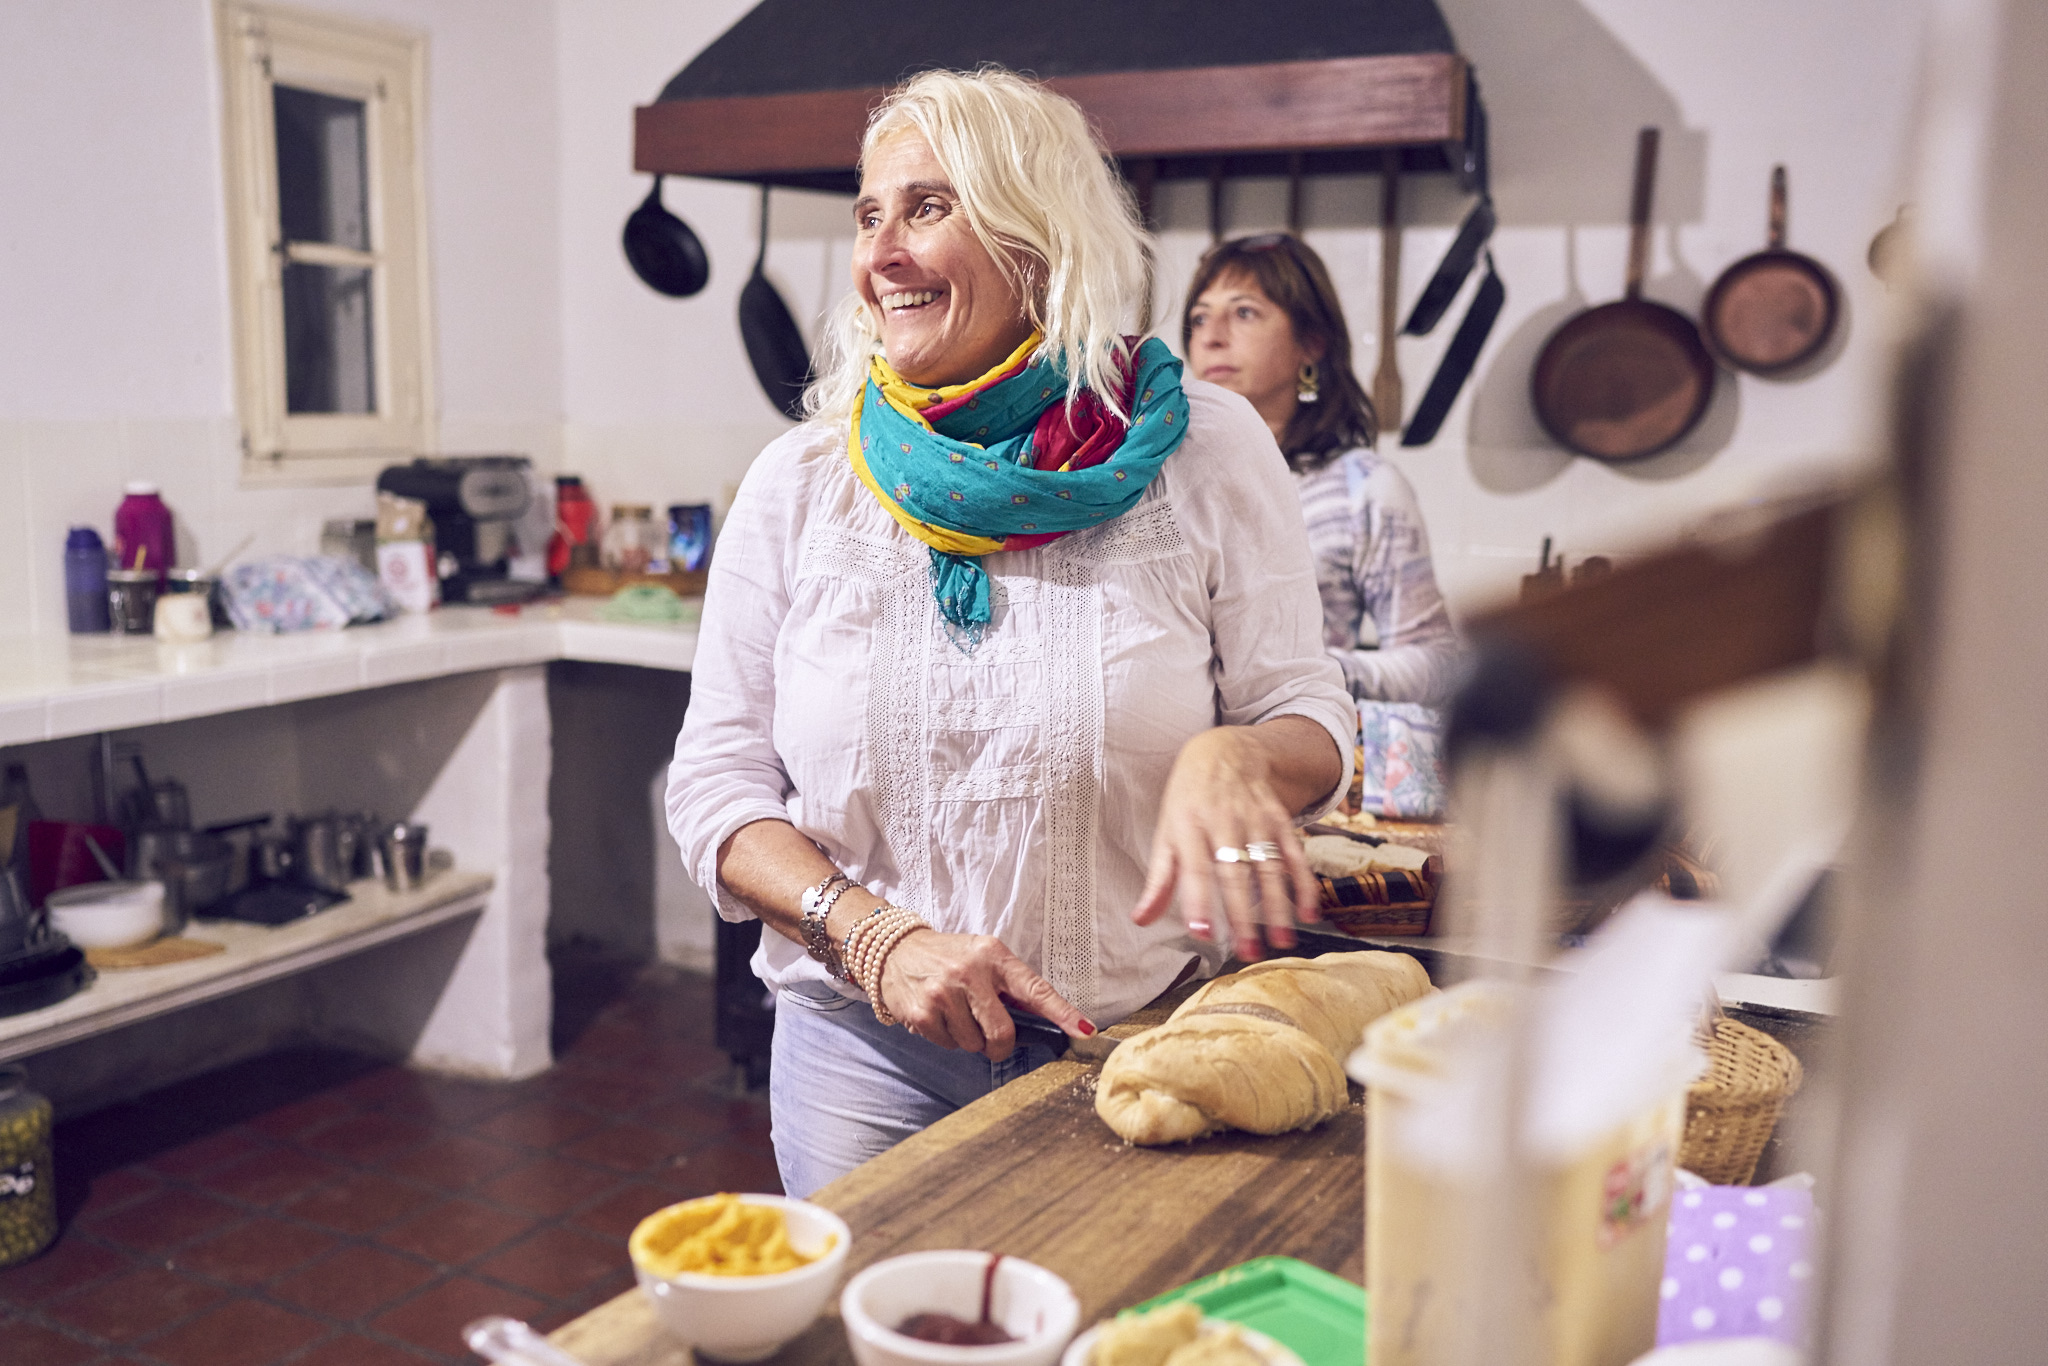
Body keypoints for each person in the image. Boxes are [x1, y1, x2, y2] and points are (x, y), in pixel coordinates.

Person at [666, 70, 1355, 1198]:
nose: (881, 251)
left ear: (1039, 237)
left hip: (1137, 1045)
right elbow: (715, 786)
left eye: (928, 207)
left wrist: (1238, 752)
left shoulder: (1204, 449)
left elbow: (1310, 717)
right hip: (859, 1058)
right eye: (868, 214)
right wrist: (871, 936)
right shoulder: (801, 482)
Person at [1183, 235, 1460, 710]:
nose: (1210, 337)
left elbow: (1436, 666)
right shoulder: (1165, 477)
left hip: (1293, 758)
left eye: (1244, 312)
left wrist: (1314, 673)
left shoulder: (1363, 490)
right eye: (1199, 318)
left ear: (1310, 344)